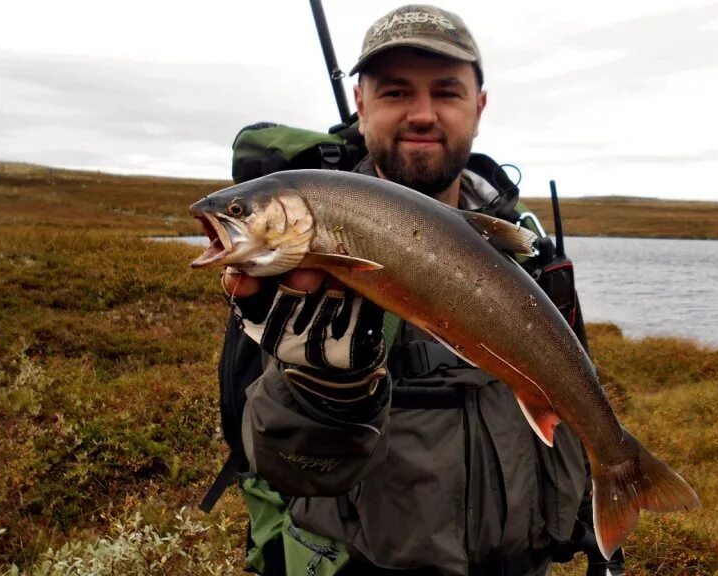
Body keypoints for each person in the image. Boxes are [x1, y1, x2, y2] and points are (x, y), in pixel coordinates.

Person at [216, 5, 620, 575]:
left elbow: (570, 397)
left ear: (479, 107)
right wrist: (325, 392)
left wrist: (599, 491)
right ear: (361, 105)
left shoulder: (529, 251)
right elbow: (279, 464)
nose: (423, 114)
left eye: (447, 92)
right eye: (396, 92)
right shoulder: (294, 273)